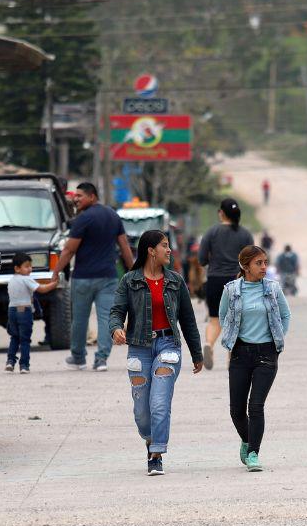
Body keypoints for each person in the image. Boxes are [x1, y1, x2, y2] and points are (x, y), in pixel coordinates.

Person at [110, 230, 204, 476]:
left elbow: (188, 320)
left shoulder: (175, 281)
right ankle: (151, 439)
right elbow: (116, 311)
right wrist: (116, 329)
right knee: (142, 410)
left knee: (159, 403)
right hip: (139, 348)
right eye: (164, 245)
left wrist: (197, 353)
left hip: (168, 346)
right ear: (151, 250)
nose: (169, 250)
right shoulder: (129, 280)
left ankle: (156, 455)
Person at [219, 245, 290, 472]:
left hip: (267, 354)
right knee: (236, 410)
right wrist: (231, 337)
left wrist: (277, 339)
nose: (264, 267)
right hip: (240, 353)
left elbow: (285, 314)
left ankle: (253, 453)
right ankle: (247, 439)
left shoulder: (272, 288)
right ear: (245, 266)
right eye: (258, 263)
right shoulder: (231, 290)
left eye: (265, 262)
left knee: (256, 406)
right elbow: (223, 316)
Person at [53, 182, 135, 372]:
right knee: (107, 318)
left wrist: (56, 272)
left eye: (80, 196)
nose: (76, 199)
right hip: (108, 277)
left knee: (80, 318)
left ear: (92, 196)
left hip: (83, 277)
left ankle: (78, 357)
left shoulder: (83, 219)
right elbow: (124, 247)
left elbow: (69, 249)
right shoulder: (113, 216)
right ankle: (101, 359)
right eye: (76, 196)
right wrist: (132, 270)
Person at [198, 198, 254, 370]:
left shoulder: (211, 232)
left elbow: (201, 259)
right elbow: (253, 261)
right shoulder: (245, 234)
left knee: (215, 320)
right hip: (237, 280)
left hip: (215, 280)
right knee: (237, 321)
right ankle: (233, 358)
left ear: (221, 213)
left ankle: (208, 344)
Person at [5, 253, 60, 374]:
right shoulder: (27, 279)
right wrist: (54, 284)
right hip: (24, 311)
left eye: (30, 266)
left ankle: (10, 361)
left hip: (12, 311)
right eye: (27, 266)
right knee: (25, 340)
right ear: (17, 268)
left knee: (14, 337)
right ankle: (24, 365)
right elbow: (42, 289)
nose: (30, 269)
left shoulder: (11, 280)